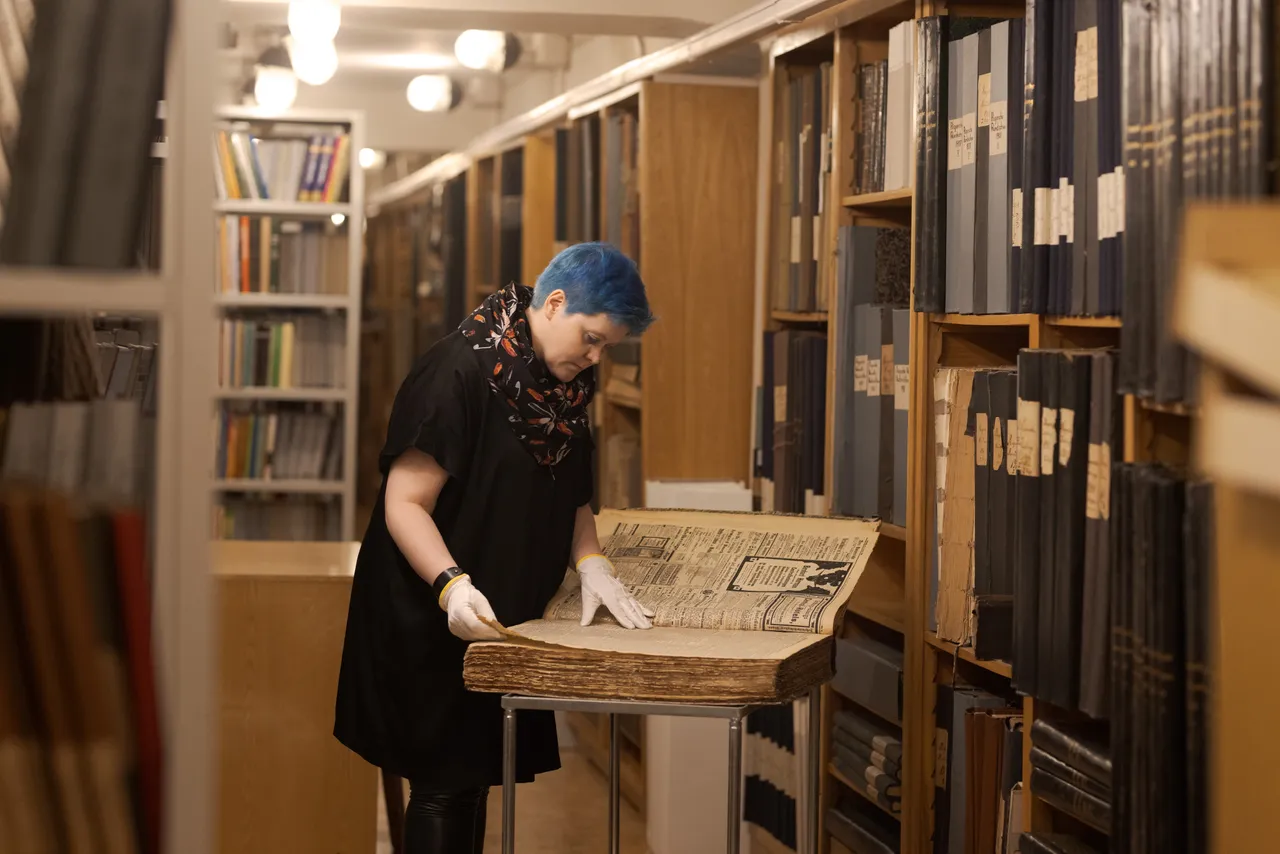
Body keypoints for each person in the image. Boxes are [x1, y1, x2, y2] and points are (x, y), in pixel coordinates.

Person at [334, 242, 656, 854]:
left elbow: (573, 491)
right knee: (442, 784)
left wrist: (590, 561)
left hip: (502, 616)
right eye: (591, 338)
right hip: (433, 608)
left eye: (606, 347)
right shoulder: (457, 371)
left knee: (475, 778)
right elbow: (403, 503)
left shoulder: (566, 386)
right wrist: (451, 585)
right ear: (554, 303)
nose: (595, 357)